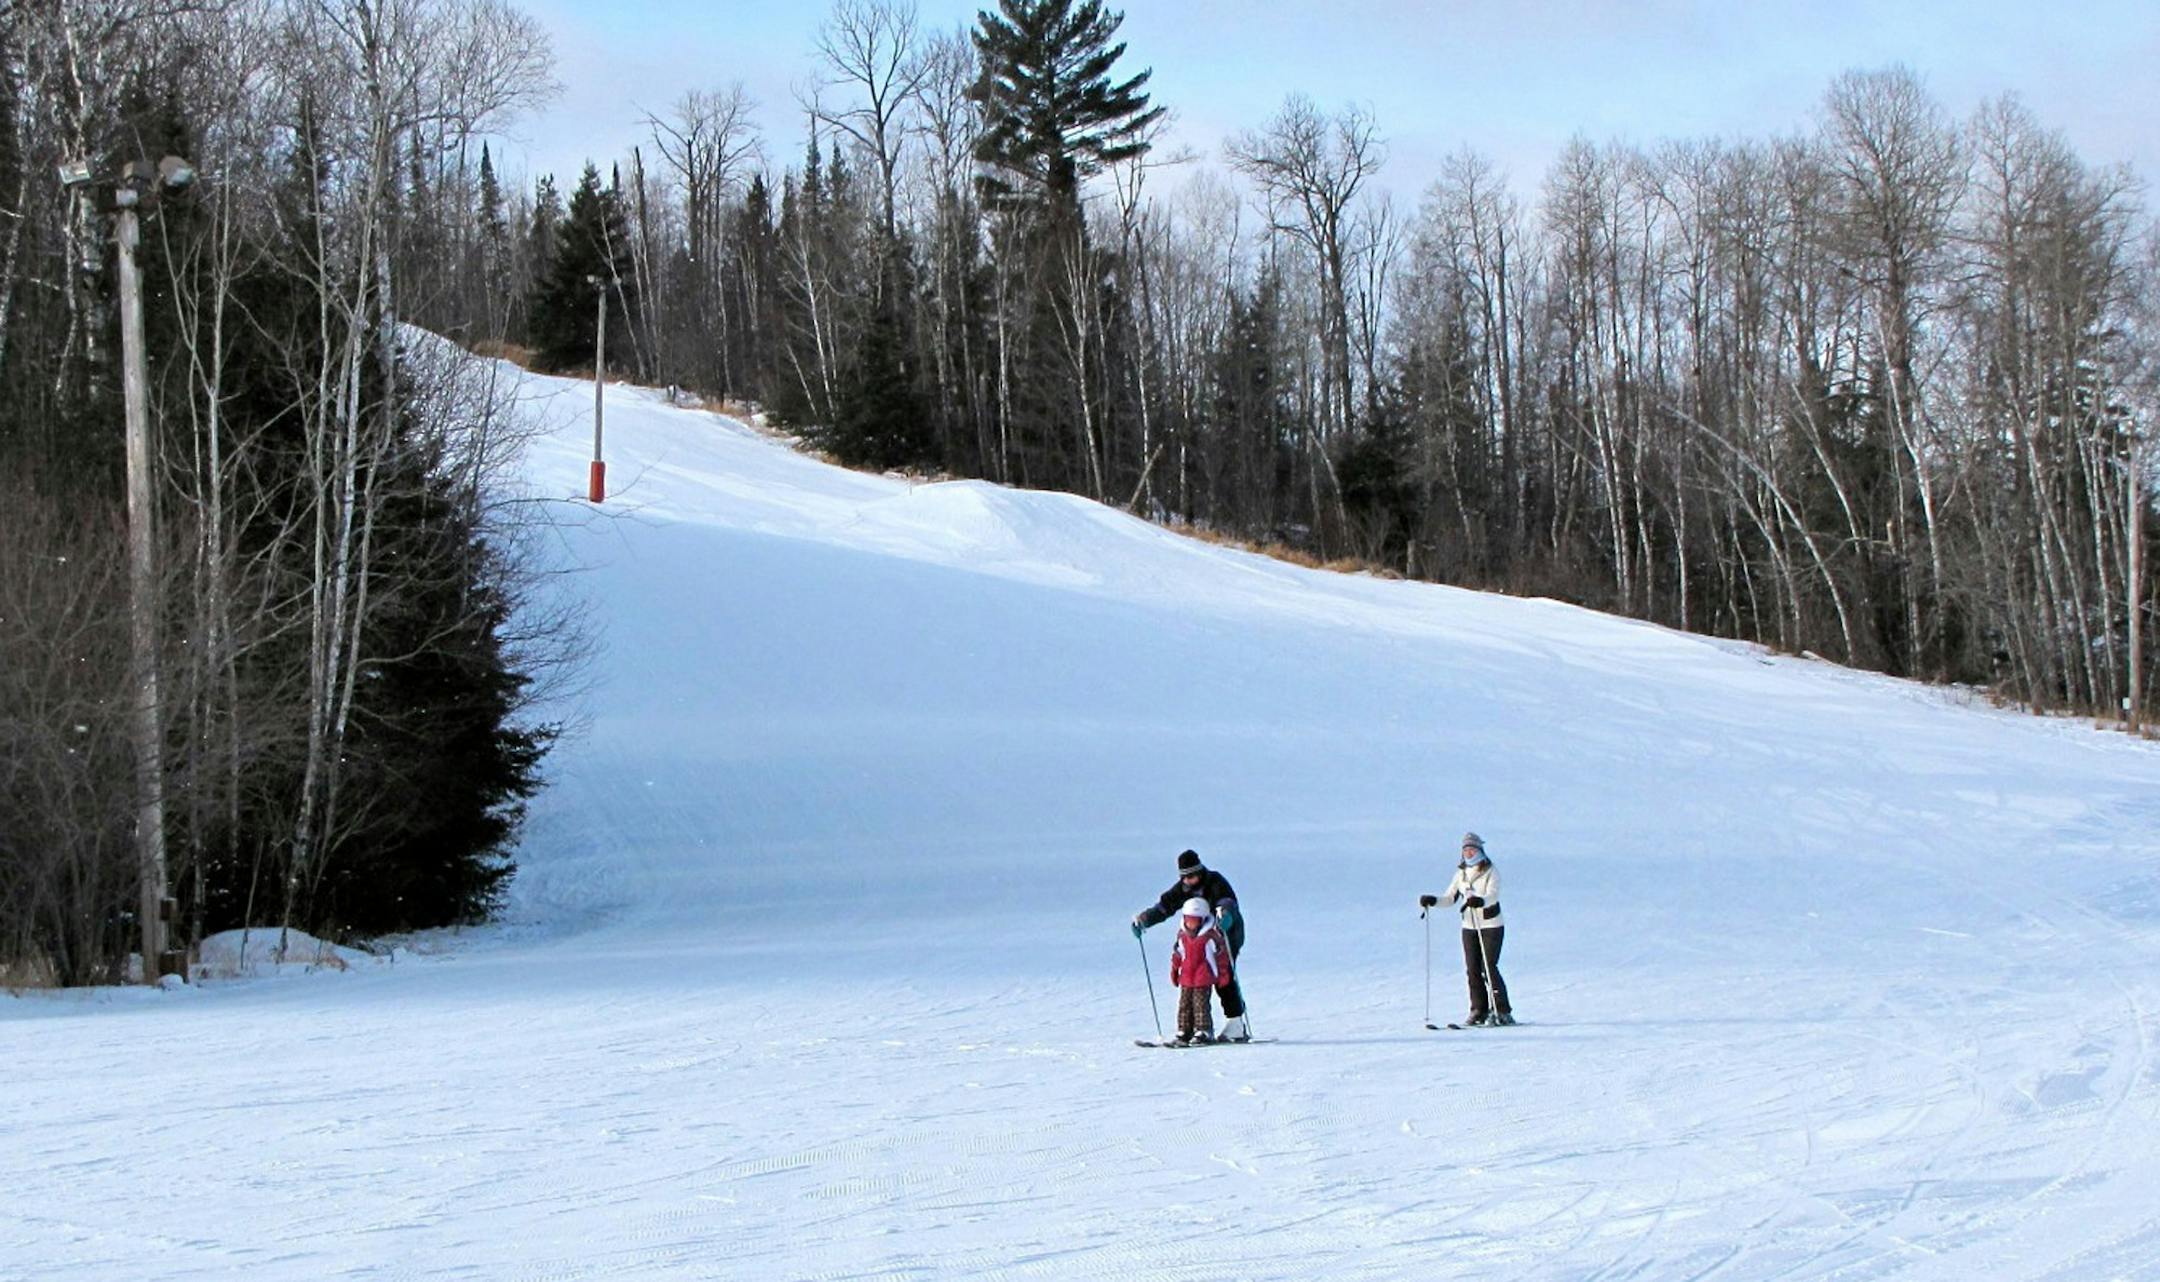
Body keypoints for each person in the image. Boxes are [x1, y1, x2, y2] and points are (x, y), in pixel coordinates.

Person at [1132, 849, 1249, 1041]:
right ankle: (1192, 1028)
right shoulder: (1183, 888)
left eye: (1192, 876)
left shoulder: (1215, 882)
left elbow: (1227, 902)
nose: (1188, 881)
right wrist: (1144, 921)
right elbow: (1164, 907)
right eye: (1184, 877)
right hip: (1197, 938)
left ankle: (1235, 1024)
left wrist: (1225, 915)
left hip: (1227, 934)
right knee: (1193, 980)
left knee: (1223, 976)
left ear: (1199, 871)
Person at [1418, 832, 1514, 1026]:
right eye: (1466, 850)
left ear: (1480, 851)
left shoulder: (1490, 872)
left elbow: (1493, 896)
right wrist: (1433, 901)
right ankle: (1478, 1009)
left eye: (1472, 850)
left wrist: (1480, 901)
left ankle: (1502, 1010)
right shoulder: (1461, 874)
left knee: (1489, 967)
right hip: (1469, 926)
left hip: (1490, 925)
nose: (1469, 854)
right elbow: (1450, 898)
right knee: (1472, 969)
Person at [1167, 897, 1233, 1044]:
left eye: (1194, 921)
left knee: (1200, 1004)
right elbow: (1178, 954)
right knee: (1184, 1004)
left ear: (1202, 920)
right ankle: (1184, 1030)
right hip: (1186, 977)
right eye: (1188, 920)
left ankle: (1203, 1030)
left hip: (1204, 977)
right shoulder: (1182, 936)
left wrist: (1223, 974)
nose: (1190, 924)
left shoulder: (1210, 936)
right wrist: (1174, 970)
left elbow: (1221, 957)